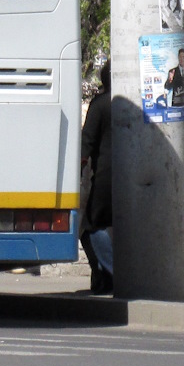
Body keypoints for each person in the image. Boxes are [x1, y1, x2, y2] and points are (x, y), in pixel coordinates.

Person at [80, 60, 114, 294]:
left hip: (106, 175)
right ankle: (102, 276)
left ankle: (110, 272)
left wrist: (80, 165)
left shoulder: (101, 104)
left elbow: (87, 142)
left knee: (90, 226)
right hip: (138, 176)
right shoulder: (135, 103)